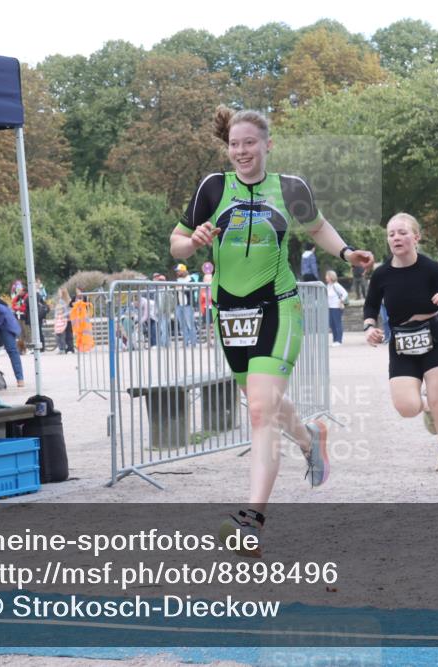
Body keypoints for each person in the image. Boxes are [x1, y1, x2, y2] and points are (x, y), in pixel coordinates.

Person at [170, 105, 374, 556]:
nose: (241, 152)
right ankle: (309, 438)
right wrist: (194, 242)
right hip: (229, 313)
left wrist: (347, 253)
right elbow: (176, 242)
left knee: (260, 411)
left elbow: (318, 227)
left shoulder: (289, 187)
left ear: (267, 145)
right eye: (234, 145)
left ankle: (251, 521)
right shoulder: (212, 187)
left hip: (278, 308)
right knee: (267, 403)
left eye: (249, 143)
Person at [363, 213, 438, 472]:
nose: (396, 238)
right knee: (406, 408)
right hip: (401, 343)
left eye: (402, 232)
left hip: (434, 338)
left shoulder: (430, 267)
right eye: (391, 234)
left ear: (416, 237)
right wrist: (369, 327)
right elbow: (370, 306)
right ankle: (426, 407)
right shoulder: (381, 274)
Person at [325, 270, 348, 347]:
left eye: (327, 276)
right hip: (330, 307)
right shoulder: (328, 286)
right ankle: (335, 340)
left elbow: (345, 293)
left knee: (337, 323)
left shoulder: (336, 285)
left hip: (336, 307)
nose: (326, 277)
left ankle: (339, 340)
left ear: (331, 277)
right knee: (332, 324)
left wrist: (340, 301)